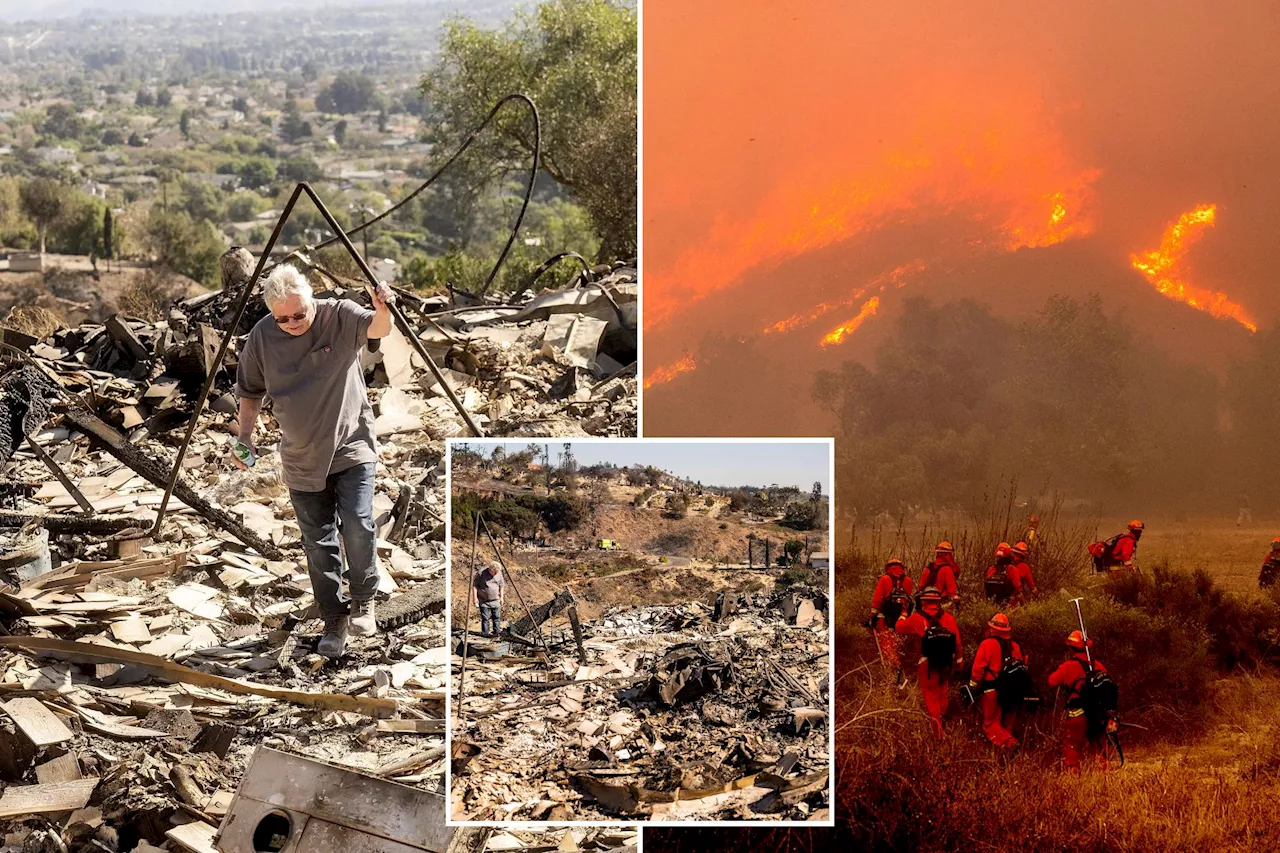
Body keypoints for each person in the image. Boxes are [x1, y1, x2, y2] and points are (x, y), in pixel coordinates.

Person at [234, 266, 394, 658]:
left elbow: (379, 329)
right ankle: (333, 618)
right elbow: (250, 392)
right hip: (301, 457)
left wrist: (383, 306)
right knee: (318, 543)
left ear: (311, 301)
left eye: (298, 314)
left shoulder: (338, 315)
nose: (291, 323)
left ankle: (363, 598)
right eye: (281, 317)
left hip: (350, 445)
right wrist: (245, 436)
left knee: (356, 523)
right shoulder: (262, 336)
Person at [895, 586, 963, 737]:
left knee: (931, 697)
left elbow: (899, 627)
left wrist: (903, 613)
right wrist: (959, 663)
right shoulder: (949, 618)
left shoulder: (918, 618)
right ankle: (944, 721)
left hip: (927, 664)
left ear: (924, 601)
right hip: (946, 663)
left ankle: (938, 734)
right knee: (942, 692)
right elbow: (958, 643)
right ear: (938, 602)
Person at [1047, 631, 1117, 774]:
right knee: (1100, 746)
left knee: (1072, 744)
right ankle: (1105, 777)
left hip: (1078, 714)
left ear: (1071, 649)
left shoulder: (1068, 666)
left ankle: (1073, 776)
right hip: (1099, 715)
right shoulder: (1098, 665)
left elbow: (1052, 681)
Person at [969, 612, 1028, 752]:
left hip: (992, 690)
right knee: (1007, 725)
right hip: (1013, 691)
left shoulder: (987, 644)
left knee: (990, 724)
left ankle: (1010, 743)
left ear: (993, 629)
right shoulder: (1015, 646)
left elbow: (978, 670)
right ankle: (1006, 758)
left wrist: (973, 687)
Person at [869, 558, 914, 682]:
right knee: (898, 641)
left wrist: (872, 616)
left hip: (885, 615)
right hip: (902, 617)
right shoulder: (908, 580)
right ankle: (899, 664)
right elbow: (908, 599)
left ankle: (890, 666)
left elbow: (877, 599)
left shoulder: (885, 579)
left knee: (886, 639)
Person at [919, 540, 960, 609]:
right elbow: (951, 590)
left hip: (927, 602)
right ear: (948, 555)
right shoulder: (947, 569)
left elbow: (920, 586)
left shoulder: (928, 568)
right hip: (942, 602)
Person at [472, 560, 505, 636]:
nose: (496, 574)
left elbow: (501, 586)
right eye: (494, 572)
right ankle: (485, 634)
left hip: (495, 600)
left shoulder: (499, 573)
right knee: (485, 618)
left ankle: (496, 633)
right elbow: (475, 586)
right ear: (490, 570)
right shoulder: (481, 573)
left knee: (496, 618)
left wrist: (502, 597)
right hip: (484, 601)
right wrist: (475, 599)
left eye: (497, 572)